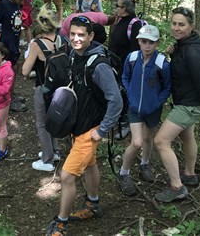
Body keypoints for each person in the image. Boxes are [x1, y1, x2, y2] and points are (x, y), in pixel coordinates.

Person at [46, 15, 123, 236]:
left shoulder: (99, 66)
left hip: (89, 130)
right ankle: (93, 204)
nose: (76, 39)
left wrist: (102, 130)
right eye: (72, 34)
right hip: (78, 125)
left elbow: (116, 100)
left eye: (81, 35)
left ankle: (60, 223)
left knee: (67, 176)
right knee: (90, 165)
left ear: (91, 36)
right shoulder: (74, 55)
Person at [153, 7, 200, 203]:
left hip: (191, 104)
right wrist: (173, 55)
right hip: (186, 101)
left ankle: (177, 187)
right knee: (187, 136)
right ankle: (189, 174)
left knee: (161, 141)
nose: (176, 28)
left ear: (191, 26)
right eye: (174, 23)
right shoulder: (183, 45)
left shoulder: (193, 50)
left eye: (181, 24)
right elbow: (183, 72)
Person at [117, 25, 171, 196]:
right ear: (139, 41)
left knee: (148, 138)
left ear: (157, 43)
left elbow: (167, 87)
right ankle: (123, 173)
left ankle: (144, 164)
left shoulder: (162, 63)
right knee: (137, 142)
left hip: (153, 109)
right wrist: (130, 93)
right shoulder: (132, 58)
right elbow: (125, 77)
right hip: (135, 108)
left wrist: (158, 101)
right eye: (144, 41)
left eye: (151, 42)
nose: (147, 45)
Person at [21, 5, 67, 171]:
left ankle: (47, 160)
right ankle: (55, 151)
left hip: (43, 88)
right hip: (60, 88)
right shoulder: (61, 39)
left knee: (42, 123)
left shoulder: (37, 44)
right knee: (53, 119)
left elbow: (25, 71)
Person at [108, 0, 144, 139]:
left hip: (126, 68)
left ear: (124, 9)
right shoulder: (120, 21)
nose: (116, 8)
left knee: (125, 94)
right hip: (115, 65)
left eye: (118, 6)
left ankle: (126, 123)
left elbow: (136, 50)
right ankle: (117, 118)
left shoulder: (135, 25)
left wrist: (130, 70)